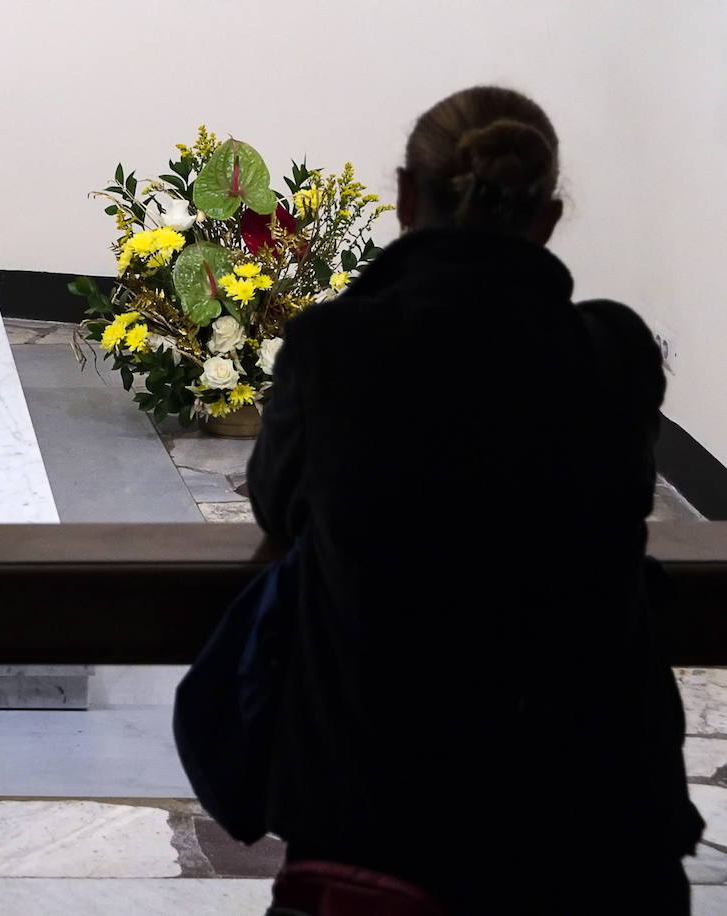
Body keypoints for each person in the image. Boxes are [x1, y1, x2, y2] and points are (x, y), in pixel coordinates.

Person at [247, 86, 705, 914]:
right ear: (549, 217)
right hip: (594, 812)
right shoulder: (613, 352)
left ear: (404, 197)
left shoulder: (340, 349)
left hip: (386, 816)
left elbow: (279, 510)